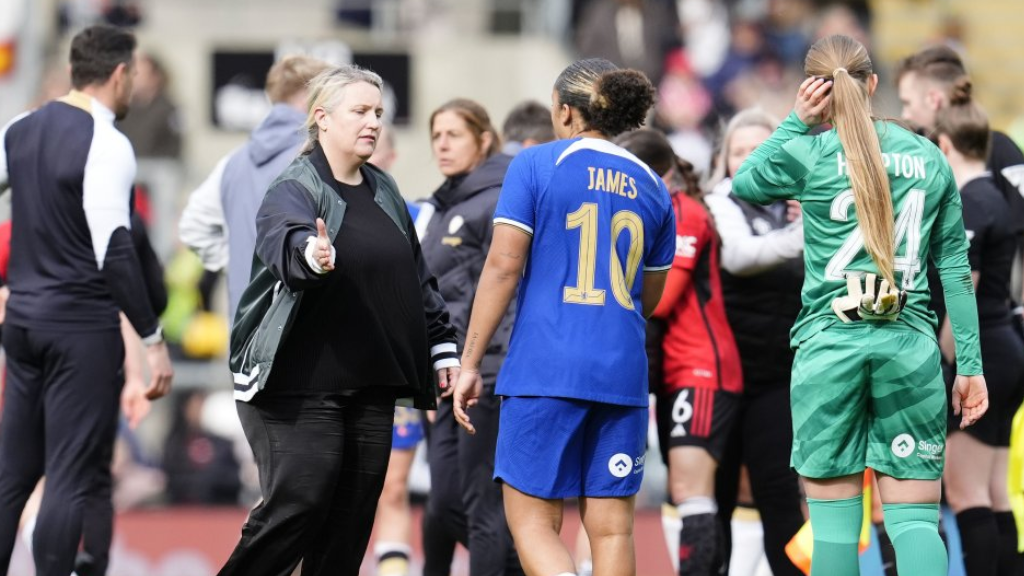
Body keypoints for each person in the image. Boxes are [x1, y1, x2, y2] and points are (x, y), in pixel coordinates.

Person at [731, 34, 988, 576]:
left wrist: (796, 121)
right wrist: (970, 366)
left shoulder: (809, 150)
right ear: (874, 85)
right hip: (910, 346)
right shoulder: (927, 156)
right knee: (916, 523)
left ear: (815, 91)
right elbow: (956, 274)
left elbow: (747, 181)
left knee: (833, 531)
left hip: (830, 347)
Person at [219, 64, 459, 576]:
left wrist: (442, 346)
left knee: (348, 530)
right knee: (299, 505)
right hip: (297, 383)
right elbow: (285, 240)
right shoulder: (295, 185)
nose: (372, 121)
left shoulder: (384, 187)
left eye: (378, 112)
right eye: (360, 111)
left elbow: (416, 278)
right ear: (322, 119)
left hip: (370, 384)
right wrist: (311, 255)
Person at [452, 58, 675, 576]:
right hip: (621, 372)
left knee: (532, 524)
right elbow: (651, 297)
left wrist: (469, 361)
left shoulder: (535, 164)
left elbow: (503, 267)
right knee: (613, 529)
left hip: (545, 368)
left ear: (565, 111)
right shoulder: (653, 185)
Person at [0, 24, 174, 576]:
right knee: (71, 473)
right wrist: (152, 340)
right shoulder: (107, 141)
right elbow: (116, 251)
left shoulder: (19, 128)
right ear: (120, 73)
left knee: (12, 476)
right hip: (80, 329)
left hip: (23, 324)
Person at [616, 128, 743, 575]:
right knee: (687, 491)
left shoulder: (684, 212)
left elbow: (662, 298)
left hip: (702, 368)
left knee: (692, 490)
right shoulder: (654, 209)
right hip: (675, 372)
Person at [418, 98, 523, 576]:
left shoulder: (502, 196)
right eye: (436, 135)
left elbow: (509, 285)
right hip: (447, 375)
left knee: (483, 508)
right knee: (442, 503)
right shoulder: (447, 202)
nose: (441, 144)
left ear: (484, 139)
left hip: (487, 373)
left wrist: (488, 363)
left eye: (453, 134)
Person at [704, 108, 806, 576]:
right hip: (721, 375)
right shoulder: (718, 200)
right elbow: (740, 257)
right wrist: (809, 232)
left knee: (780, 496)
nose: (746, 160)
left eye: (758, 150)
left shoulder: (803, 201)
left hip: (778, 377)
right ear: (723, 160)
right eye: (737, 151)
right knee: (717, 498)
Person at [931, 86, 1024, 575]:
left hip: (982, 350)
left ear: (945, 146)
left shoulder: (969, 203)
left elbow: (963, 290)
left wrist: (949, 362)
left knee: (965, 492)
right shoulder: (999, 198)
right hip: (1008, 344)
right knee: (992, 491)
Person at [179, 55, 331, 320]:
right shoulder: (320, 156)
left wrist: (241, 264)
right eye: (329, 92)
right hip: (305, 332)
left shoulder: (233, 160)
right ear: (310, 93)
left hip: (246, 333)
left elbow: (192, 226)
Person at [366, 122, 425, 576]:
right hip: (340, 372)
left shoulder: (413, 216)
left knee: (393, 484)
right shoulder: (320, 205)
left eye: (377, 149)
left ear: (392, 157)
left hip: (398, 374)